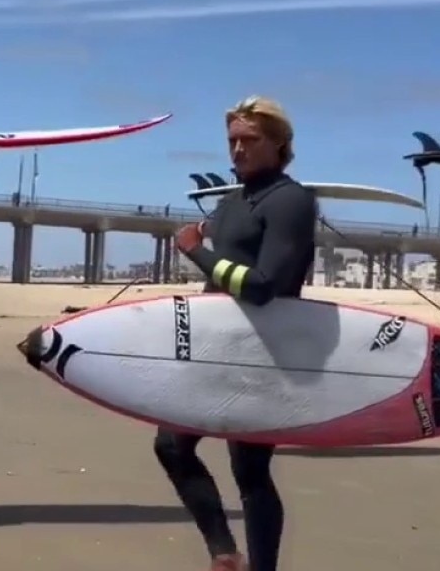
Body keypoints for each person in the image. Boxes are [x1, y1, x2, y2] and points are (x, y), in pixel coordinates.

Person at [161, 96, 318, 571]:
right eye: (232, 140)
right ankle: (224, 553)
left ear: (279, 144)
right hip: (219, 347)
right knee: (170, 444)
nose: (237, 150)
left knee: (250, 470)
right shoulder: (234, 200)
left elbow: (263, 286)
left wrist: (197, 251)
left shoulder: (291, 201)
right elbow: (230, 264)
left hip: (263, 351)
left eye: (249, 140)